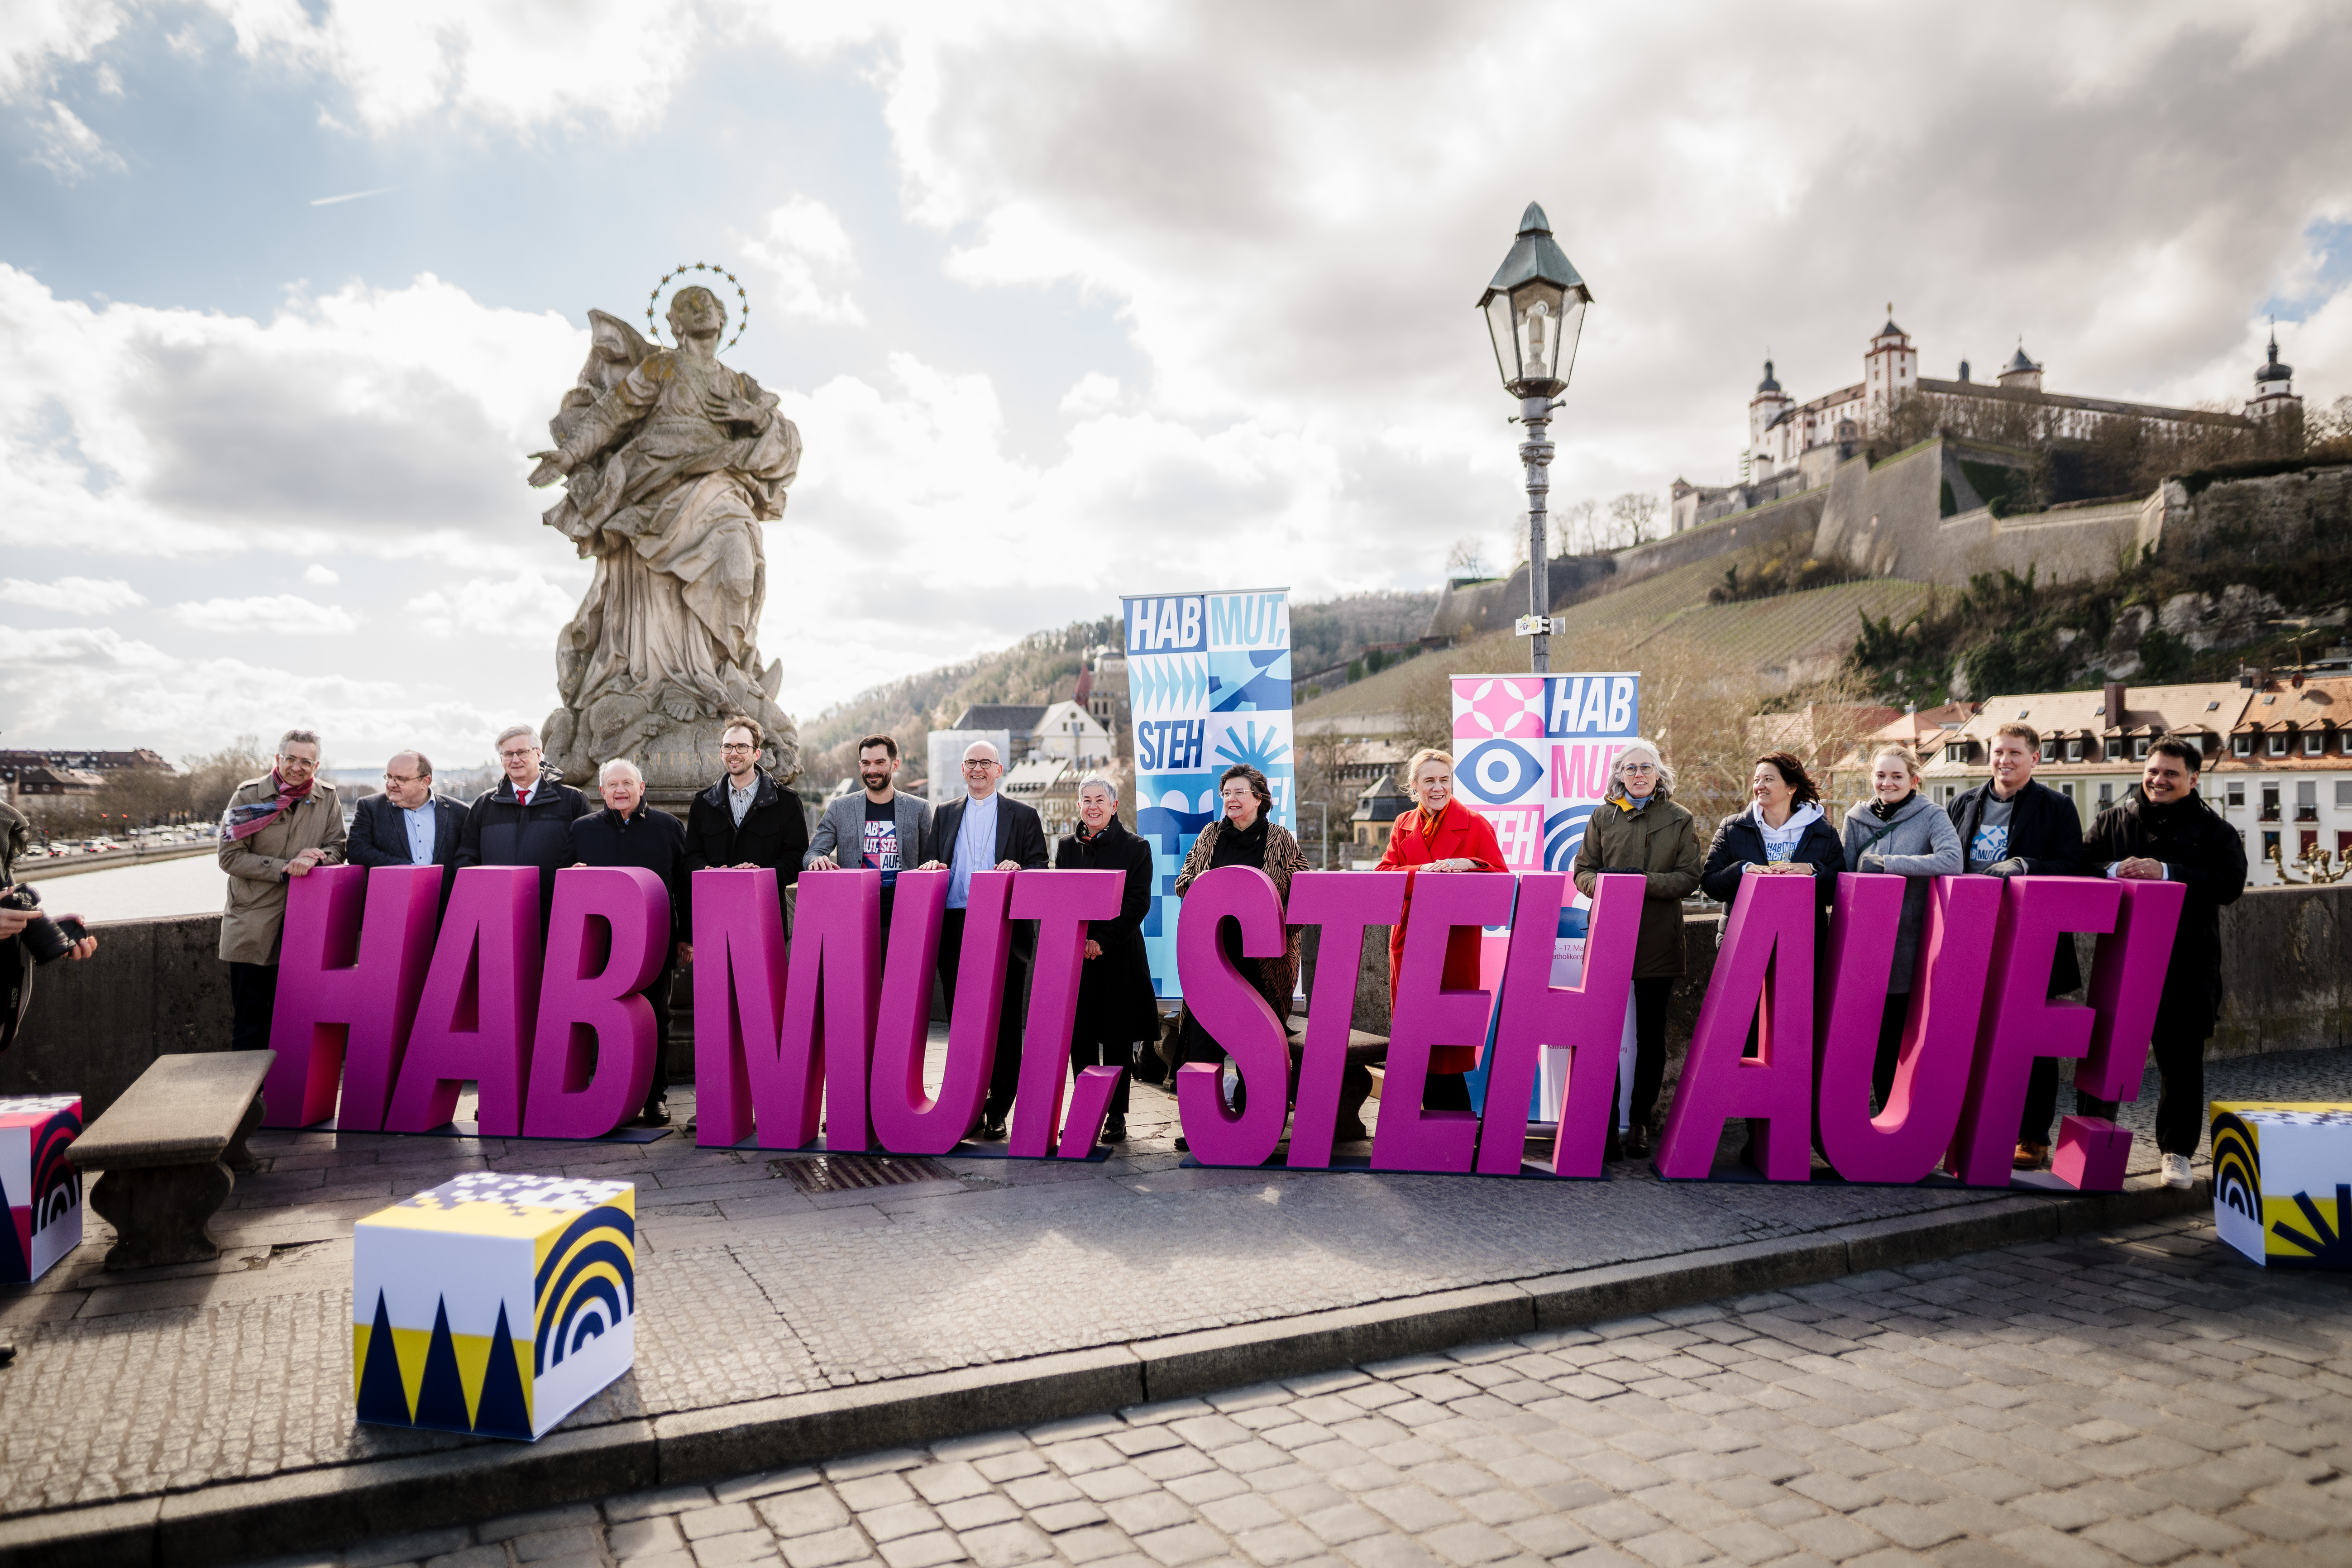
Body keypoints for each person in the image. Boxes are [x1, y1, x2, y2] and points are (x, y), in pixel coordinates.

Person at [2079, 736, 2246, 1189]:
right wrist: (2115, 869)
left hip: (2188, 965)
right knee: (2103, 1059)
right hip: (2122, 962)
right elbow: (2079, 863)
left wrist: (2167, 872)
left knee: (2181, 1065)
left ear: (2193, 779)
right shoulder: (2113, 820)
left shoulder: (2217, 831)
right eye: (2153, 770)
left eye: (2171, 773)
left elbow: (2231, 884)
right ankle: (2089, 1151)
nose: (2159, 780)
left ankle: (2176, 1153)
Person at [1945, 721, 2088, 1170]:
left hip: (2033, 942)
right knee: (1971, 1038)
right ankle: (1973, 1127)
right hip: (1973, 937)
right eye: (1998, 752)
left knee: (2034, 1045)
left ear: (2035, 758)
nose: (2004, 760)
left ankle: (2033, 1137)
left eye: (2014, 753)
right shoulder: (1961, 803)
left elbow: (2073, 866)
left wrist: (2026, 864)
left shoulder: (2057, 807)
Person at [1572, 738, 1702, 1160]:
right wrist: (1608, 889)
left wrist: (1641, 883)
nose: (1639, 774)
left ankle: (1640, 1122)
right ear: (1619, 775)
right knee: (1601, 1034)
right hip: (1609, 938)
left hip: (1659, 940)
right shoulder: (1602, 816)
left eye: (1647, 767)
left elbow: (1689, 878)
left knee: (1652, 1035)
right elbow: (1582, 872)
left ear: (1660, 774)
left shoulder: (1680, 818)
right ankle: (1605, 1125)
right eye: (1631, 768)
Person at [916, 741, 1050, 1142]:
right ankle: (968, 1105)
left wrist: (1020, 868)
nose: (978, 769)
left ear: (999, 769)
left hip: (1004, 926)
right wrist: (932, 866)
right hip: (955, 925)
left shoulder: (1023, 815)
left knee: (1007, 1019)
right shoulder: (943, 814)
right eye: (972, 763)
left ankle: (998, 1109)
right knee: (962, 1021)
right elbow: (930, 862)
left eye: (985, 763)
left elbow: (1041, 866)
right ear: (962, 769)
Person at [1173, 765, 1313, 1143]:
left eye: (1239, 793)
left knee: (1259, 1043)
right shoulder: (1210, 836)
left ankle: (1254, 1121)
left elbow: (1303, 889)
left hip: (1263, 962)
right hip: (1214, 956)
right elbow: (1183, 880)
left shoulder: (1279, 838)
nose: (1231, 800)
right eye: (1226, 794)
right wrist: (1205, 887)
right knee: (1203, 1040)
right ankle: (1204, 1124)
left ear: (1259, 798)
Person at [565, 759, 692, 1127]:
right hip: (603, 947)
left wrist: (687, 936)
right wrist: (572, 876)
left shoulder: (669, 827)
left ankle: (655, 1098)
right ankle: (612, 1093)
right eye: (612, 785)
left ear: (642, 787)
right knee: (605, 1022)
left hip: (655, 943)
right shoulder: (582, 829)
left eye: (627, 783)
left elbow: (683, 885)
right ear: (601, 792)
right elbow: (563, 882)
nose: (620, 791)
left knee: (658, 1018)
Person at [1840, 746, 1963, 1112]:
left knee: (1897, 1037)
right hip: (1861, 946)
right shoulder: (1855, 817)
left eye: (1897, 776)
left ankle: (1895, 1117)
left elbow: (1952, 859)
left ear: (1914, 779)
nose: (1888, 783)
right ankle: (1860, 1120)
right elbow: (1845, 875)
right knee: (1862, 1039)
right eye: (1881, 775)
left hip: (1909, 947)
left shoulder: (1931, 815)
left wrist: (1889, 863)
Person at [218, 729, 347, 1053]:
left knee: (294, 1022)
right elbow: (229, 857)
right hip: (252, 924)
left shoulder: (327, 797)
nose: (297, 767)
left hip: (303, 925)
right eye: (291, 759)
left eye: (306, 761)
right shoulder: (248, 796)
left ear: (316, 766)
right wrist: (284, 868)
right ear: (278, 759)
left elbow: (338, 848)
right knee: (250, 1022)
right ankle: (248, 1103)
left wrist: (315, 858)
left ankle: (285, 1100)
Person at [1052, 777, 1159, 1143]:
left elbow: (1138, 904)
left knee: (1117, 1039)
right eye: (1086, 800)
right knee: (1079, 1039)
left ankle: (1116, 1116)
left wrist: (1102, 941)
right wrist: (1081, 940)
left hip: (1119, 955)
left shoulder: (1136, 847)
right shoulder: (1066, 848)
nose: (1093, 806)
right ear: (1078, 806)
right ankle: (1085, 1110)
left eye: (1100, 800)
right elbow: (1061, 899)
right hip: (1077, 957)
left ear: (1114, 806)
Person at [685, 715, 811, 941]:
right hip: (716, 919)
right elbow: (691, 856)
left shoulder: (786, 802)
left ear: (756, 753)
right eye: (728, 747)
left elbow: (796, 858)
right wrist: (708, 871)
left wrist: (759, 876)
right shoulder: (702, 803)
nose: (734, 753)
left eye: (742, 746)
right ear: (721, 753)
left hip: (766, 917)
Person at [457, 725, 591, 931]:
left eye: (522, 752)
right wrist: (481, 892)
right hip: (498, 918)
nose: (515, 759)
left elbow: (589, 854)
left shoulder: (572, 800)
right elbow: (466, 856)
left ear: (538, 754)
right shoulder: (485, 804)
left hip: (557, 917)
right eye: (508, 754)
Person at [806, 733, 931, 949]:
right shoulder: (839, 807)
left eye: (880, 762)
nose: (872, 770)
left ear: (895, 764)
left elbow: (931, 859)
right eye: (866, 763)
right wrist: (816, 860)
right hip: (854, 914)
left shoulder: (919, 808)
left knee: (900, 982)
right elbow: (813, 852)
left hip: (904, 915)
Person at [345, 751, 466, 891]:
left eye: (400, 779)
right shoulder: (370, 807)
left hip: (444, 906)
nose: (391, 784)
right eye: (389, 777)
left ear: (425, 781)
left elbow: (467, 857)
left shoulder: (459, 811)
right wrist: (408, 869)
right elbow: (356, 850)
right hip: (391, 902)